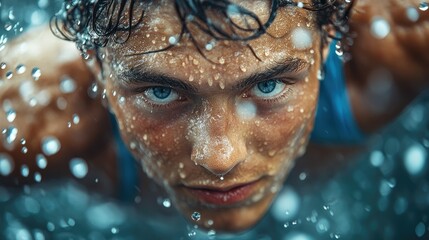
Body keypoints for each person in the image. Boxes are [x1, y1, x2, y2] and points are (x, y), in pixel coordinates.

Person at [0, 0, 428, 233]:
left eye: (267, 85)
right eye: (161, 92)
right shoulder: (30, 118)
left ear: (324, 42)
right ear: (95, 64)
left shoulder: (396, 42)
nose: (220, 157)